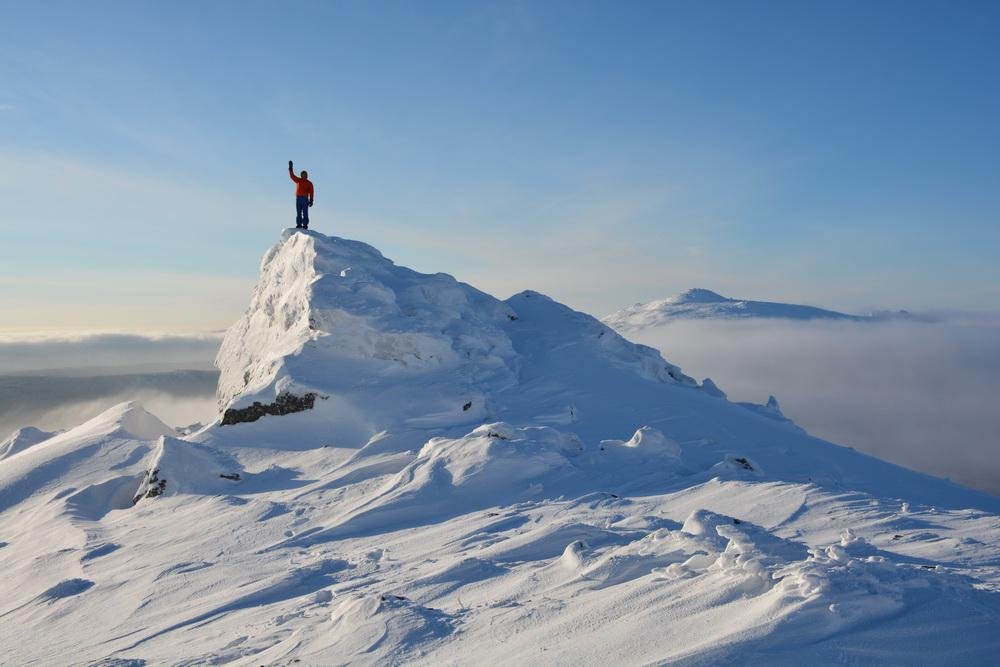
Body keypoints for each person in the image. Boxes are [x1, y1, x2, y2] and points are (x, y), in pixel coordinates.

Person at [288, 160, 314, 229]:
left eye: (304, 174)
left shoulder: (309, 183)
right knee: (298, 212)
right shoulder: (298, 180)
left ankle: (305, 225)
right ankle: (299, 224)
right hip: (298, 198)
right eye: (302, 174)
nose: (303, 175)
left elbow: (311, 192)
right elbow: (292, 176)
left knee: (305, 212)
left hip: (305, 199)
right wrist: (290, 168)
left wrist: (311, 200)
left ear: (306, 175)